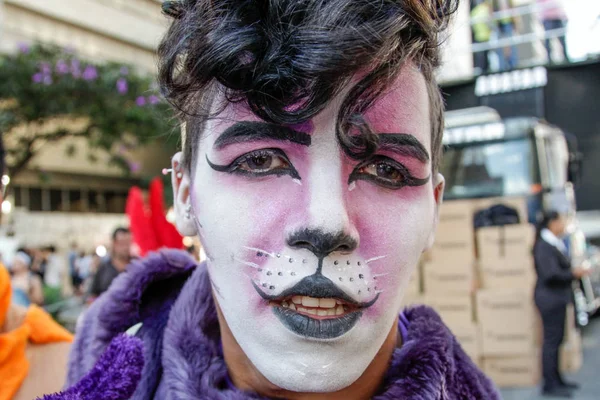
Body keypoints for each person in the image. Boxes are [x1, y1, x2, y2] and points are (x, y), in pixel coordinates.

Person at [53, 1, 500, 399]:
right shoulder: (97, 373)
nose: (326, 224)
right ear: (185, 194)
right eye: (261, 160)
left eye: (386, 170)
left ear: (433, 209)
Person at [533, 211, 588, 398]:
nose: (563, 225)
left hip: (557, 298)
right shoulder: (544, 245)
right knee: (551, 342)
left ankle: (557, 379)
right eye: (560, 222)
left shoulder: (552, 243)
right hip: (550, 299)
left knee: (557, 340)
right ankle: (550, 384)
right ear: (552, 223)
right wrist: (574, 274)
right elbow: (550, 274)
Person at [88, 227, 132, 298]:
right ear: (114, 243)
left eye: (128, 243)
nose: (125, 247)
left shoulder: (137, 266)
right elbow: (93, 296)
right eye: (122, 243)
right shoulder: (103, 269)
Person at [471, 0, 494, 74]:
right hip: (487, 37)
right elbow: (490, 23)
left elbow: (472, 26)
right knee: (488, 59)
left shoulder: (474, 11)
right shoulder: (485, 9)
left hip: (478, 37)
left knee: (481, 60)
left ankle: (482, 73)